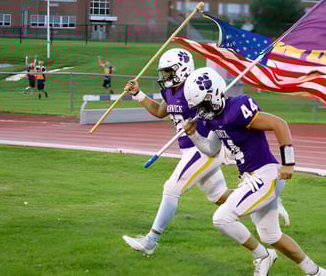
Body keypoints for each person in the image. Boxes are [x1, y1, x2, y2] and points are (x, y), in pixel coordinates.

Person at [121, 49, 289, 256]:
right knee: (219, 196)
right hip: (189, 149)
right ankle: (268, 202)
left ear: (182, 70)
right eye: (163, 73)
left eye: (168, 72)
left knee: (172, 188)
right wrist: (138, 94)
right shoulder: (171, 90)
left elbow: (215, 110)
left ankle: (151, 240)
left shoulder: (194, 89)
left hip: (203, 149)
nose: (165, 77)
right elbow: (159, 111)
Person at [182, 67, 326, 276]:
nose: (201, 111)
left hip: (265, 173)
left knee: (222, 218)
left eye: (203, 105)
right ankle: (316, 272)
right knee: (271, 236)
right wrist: (195, 135)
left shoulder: (237, 108)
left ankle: (263, 255)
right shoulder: (212, 118)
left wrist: (288, 163)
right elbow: (212, 150)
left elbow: (279, 124)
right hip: (251, 178)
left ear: (214, 94)